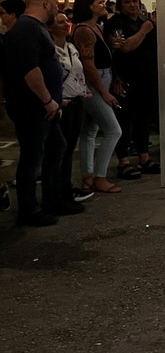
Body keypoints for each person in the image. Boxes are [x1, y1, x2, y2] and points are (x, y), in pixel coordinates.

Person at [5, 0, 68, 225]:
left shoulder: (35, 28)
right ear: (45, 4)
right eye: (55, 4)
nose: (57, 9)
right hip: (32, 106)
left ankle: (52, 200)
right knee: (33, 156)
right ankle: (29, 210)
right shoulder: (27, 28)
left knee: (55, 147)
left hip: (44, 106)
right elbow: (30, 70)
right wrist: (46, 99)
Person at [71, 0, 123, 194]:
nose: (103, 4)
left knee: (89, 131)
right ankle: (100, 176)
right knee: (113, 130)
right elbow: (89, 66)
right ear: (88, 6)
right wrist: (104, 92)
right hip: (95, 82)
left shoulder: (96, 27)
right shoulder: (84, 30)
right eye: (98, 2)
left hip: (103, 77)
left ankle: (88, 176)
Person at [106, 0, 161, 177]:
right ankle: (123, 161)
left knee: (143, 120)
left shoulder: (144, 21)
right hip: (125, 80)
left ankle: (144, 157)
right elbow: (125, 47)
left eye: (135, 1)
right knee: (125, 121)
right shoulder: (116, 23)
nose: (132, 6)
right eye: (127, 2)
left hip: (146, 79)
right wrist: (144, 31)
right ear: (120, 5)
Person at [50, 11, 94, 207]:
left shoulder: (70, 48)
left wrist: (83, 88)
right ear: (50, 26)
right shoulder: (50, 50)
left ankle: (66, 188)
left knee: (68, 150)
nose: (65, 24)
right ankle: (56, 194)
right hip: (62, 104)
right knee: (59, 151)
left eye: (66, 21)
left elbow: (78, 71)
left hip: (76, 101)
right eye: (60, 21)